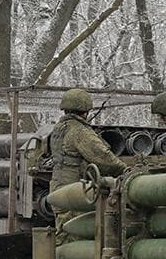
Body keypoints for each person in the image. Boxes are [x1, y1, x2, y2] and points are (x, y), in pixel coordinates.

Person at [46, 88, 126, 245]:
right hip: (75, 189)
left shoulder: (59, 129)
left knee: (63, 231)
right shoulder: (79, 131)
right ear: (85, 110)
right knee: (76, 235)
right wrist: (125, 170)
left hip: (58, 187)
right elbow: (103, 158)